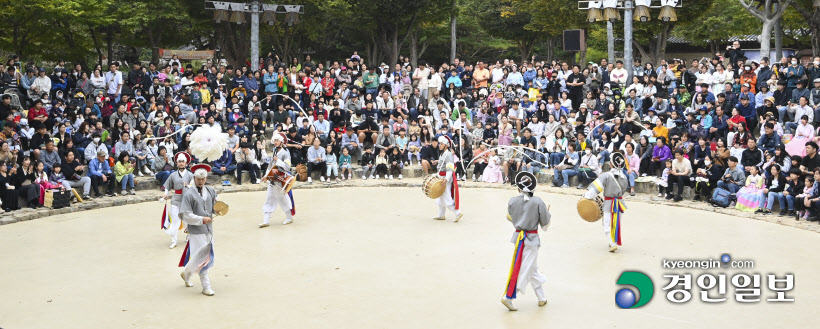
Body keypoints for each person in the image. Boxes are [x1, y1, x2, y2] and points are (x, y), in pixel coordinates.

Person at [500, 171, 550, 312]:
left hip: (519, 239)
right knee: (526, 269)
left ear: (518, 188)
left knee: (531, 268)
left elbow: (510, 218)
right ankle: (508, 297)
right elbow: (545, 225)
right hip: (532, 240)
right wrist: (547, 214)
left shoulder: (512, 201)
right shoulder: (538, 201)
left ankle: (541, 298)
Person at [178, 163, 219, 296]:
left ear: (206, 179)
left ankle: (187, 274)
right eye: (198, 179)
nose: (200, 181)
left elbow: (216, 206)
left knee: (201, 256)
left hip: (209, 229)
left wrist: (220, 209)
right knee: (203, 258)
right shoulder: (188, 194)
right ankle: (206, 286)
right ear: (194, 178)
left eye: (203, 179)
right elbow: (185, 215)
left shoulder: (211, 191)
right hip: (196, 231)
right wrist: (201, 219)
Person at [583, 152, 629, 252]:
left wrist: (586, 196)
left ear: (611, 164)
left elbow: (595, 190)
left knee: (607, 223)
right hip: (619, 203)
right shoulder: (624, 177)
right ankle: (613, 242)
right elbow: (624, 190)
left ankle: (612, 243)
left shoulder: (606, 176)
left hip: (609, 203)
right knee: (616, 223)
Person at [162, 152, 194, 249]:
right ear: (177, 163)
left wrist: (187, 185)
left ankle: (188, 236)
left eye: (182, 161)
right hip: (176, 199)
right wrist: (166, 193)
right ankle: (174, 240)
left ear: (186, 163)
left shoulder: (190, 175)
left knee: (187, 220)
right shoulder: (173, 175)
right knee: (175, 220)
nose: (181, 163)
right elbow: (167, 186)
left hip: (187, 200)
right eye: (179, 161)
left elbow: (194, 186)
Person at [259, 157, 296, 227]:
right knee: (268, 200)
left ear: (281, 144)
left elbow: (288, 167)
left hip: (280, 183)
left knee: (283, 201)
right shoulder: (274, 152)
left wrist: (278, 160)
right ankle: (266, 221)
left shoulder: (285, 153)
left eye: (276, 144)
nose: (275, 145)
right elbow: (270, 167)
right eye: (274, 144)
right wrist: (265, 176)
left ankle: (289, 218)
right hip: (271, 182)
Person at [433, 135, 463, 222]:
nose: (439, 145)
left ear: (446, 145)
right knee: (440, 196)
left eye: (441, 144)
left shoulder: (449, 154)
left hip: (445, 178)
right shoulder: (444, 154)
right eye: (439, 144)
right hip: (441, 176)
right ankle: (441, 215)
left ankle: (457, 212)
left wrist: (446, 179)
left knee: (445, 196)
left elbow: (450, 168)